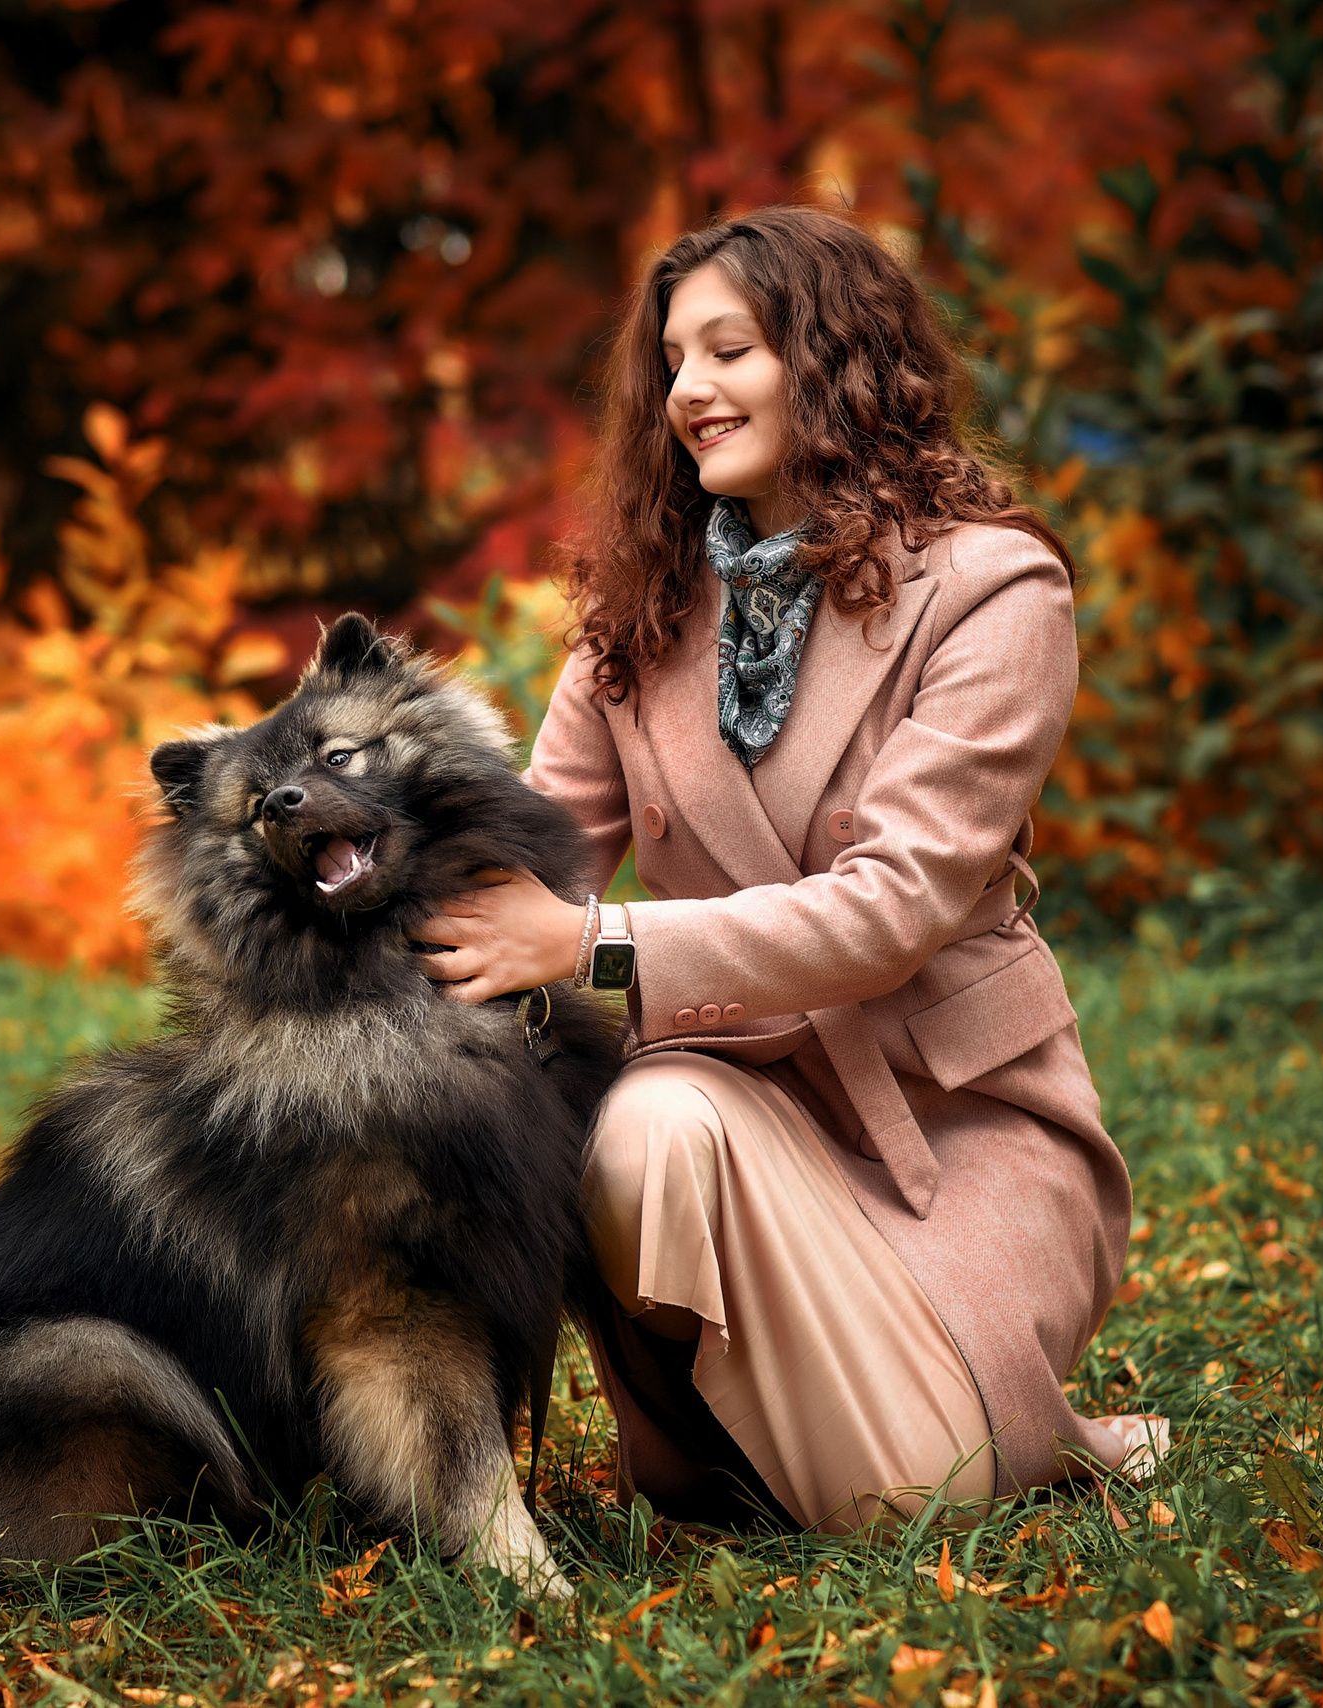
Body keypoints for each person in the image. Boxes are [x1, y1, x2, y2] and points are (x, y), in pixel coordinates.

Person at [412, 204, 1164, 1533]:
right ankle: (758, 1431)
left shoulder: (994, 591)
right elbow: (520, 867)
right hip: (722, 1109)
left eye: (730, 351)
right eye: (673, 364)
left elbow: (897, 907)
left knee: (907, 1508)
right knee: (645, 1125)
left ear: (834, 359)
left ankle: (941, 1426)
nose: (688, 392)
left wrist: (593, 945)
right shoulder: (636, 612)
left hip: (951, 1131)